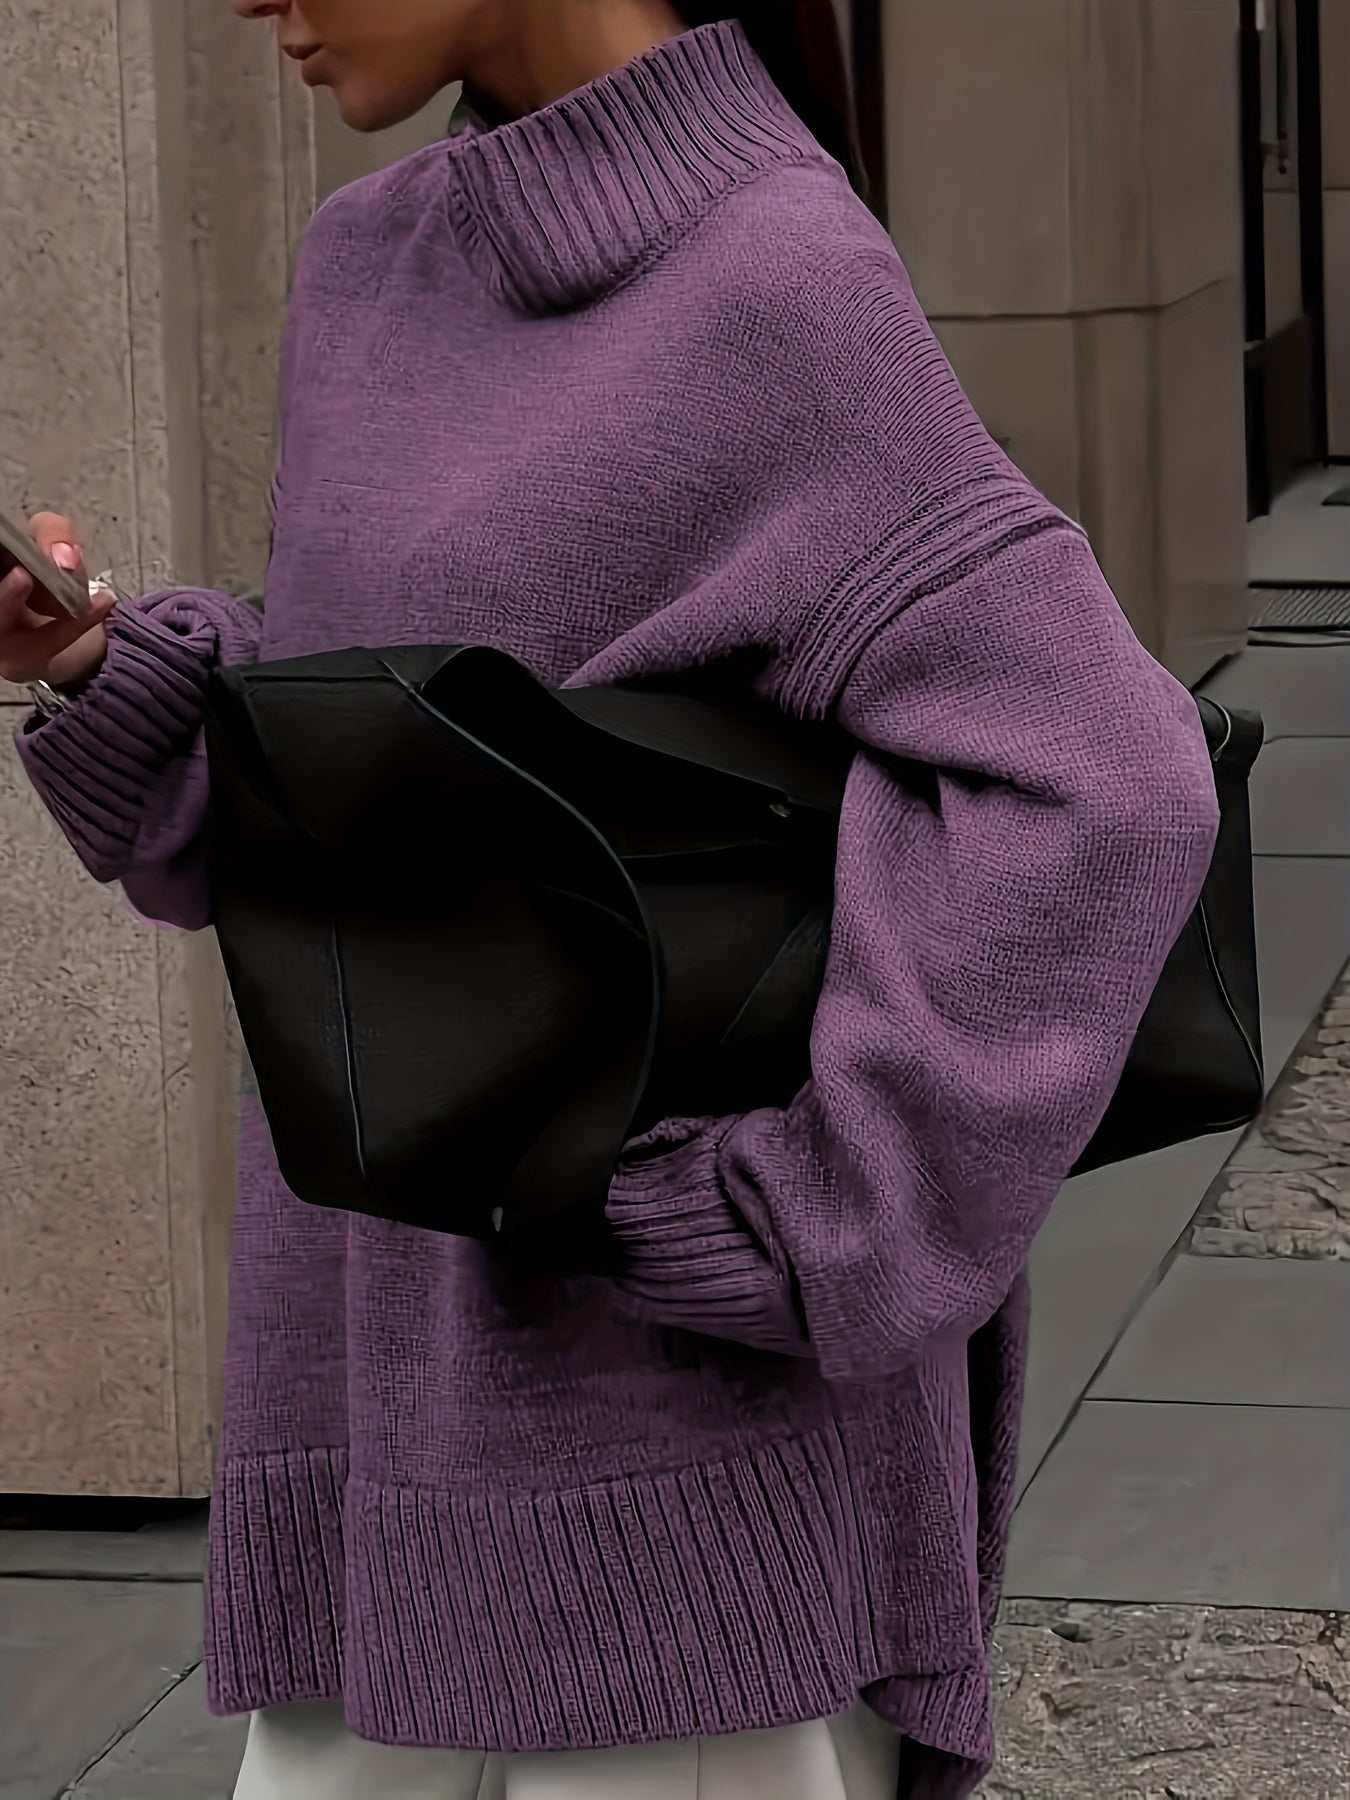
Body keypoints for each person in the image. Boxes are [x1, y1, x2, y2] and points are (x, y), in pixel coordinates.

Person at [0, 3, 1221, 1796]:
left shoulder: (774, 279)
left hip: (675, 1483)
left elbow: (1102, 773)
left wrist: (808, 1219)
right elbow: (393, 775)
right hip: (371, 1395)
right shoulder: (369, 262)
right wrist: (100, 671)